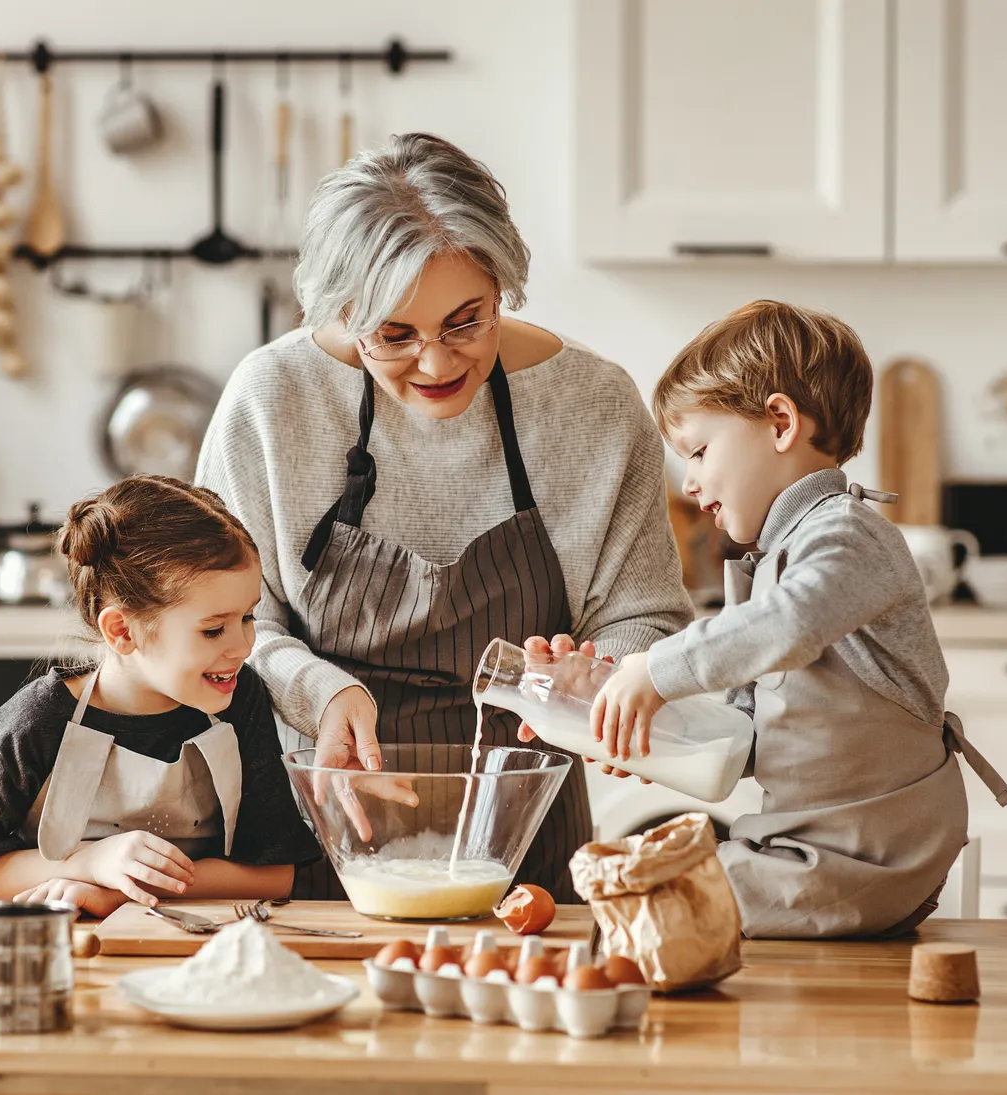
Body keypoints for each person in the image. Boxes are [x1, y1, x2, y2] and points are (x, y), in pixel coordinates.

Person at [196, 133, 692, 901]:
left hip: (527, 842)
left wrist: (592, 673)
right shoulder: (271, 400)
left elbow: (647, 615)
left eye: (467, 321)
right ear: (337, 312)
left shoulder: (593, 405)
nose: (435, 363)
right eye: (392, 335)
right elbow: (228, 626)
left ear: (503, 287)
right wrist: (322, 692)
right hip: (319, 824)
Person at [590, 301, 1007, 937]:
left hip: (867, 852)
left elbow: (791, 622)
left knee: (645, 906)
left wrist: (656, 668)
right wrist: (651, 737)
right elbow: (746, 735)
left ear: (781, 421)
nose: (692, 484)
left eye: (699, 451)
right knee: (637, 888)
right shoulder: (771, 561)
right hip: (807, 845)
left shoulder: (848, 536)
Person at [0, 475, 321, 919]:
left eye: (248, 617)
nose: (244, 646)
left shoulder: (240, 698)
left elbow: (274, 874)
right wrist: (91, 863)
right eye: (214, 629)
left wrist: (123, 892)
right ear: (122, 630)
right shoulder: (38, 721)